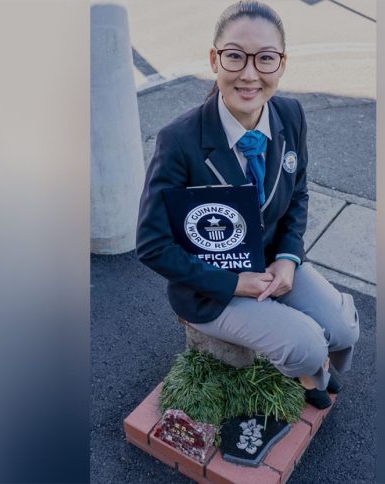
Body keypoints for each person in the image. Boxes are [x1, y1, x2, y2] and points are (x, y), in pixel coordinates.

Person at [136, 0, 359, 409]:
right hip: (213, 286)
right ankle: (313, 372)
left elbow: (299, 193)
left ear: (282, 63)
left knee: (344, 329)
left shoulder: (290, 115)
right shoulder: (179, 140)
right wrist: (234, 283)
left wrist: (289, 258)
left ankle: (320, 367)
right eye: (235, 56)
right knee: (307, 345)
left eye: (266, 58)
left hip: (273, 261)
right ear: (214, 59)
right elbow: (152, 244)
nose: (250, 73)